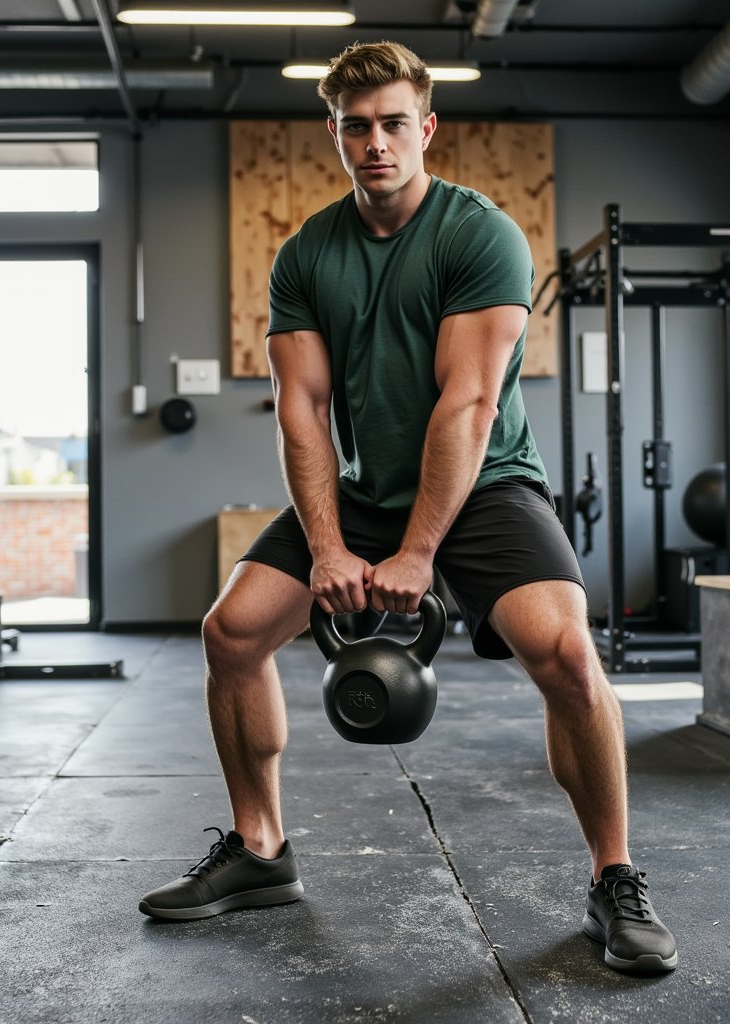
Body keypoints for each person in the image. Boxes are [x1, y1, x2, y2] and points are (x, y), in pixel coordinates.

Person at [139, 40, 677, 975]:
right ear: (336, 135)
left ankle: (615, 878)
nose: (376, 142)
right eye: (357, 126)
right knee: (231, 634)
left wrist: (419, 553)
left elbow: (465, 405)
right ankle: (261, 850)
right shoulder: (307, 253)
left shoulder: (480, 235)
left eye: (394, 124)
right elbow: (302, 410)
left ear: (426, 128)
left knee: (564, 653)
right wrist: (329, 546)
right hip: (360, 490)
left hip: (487, 481)